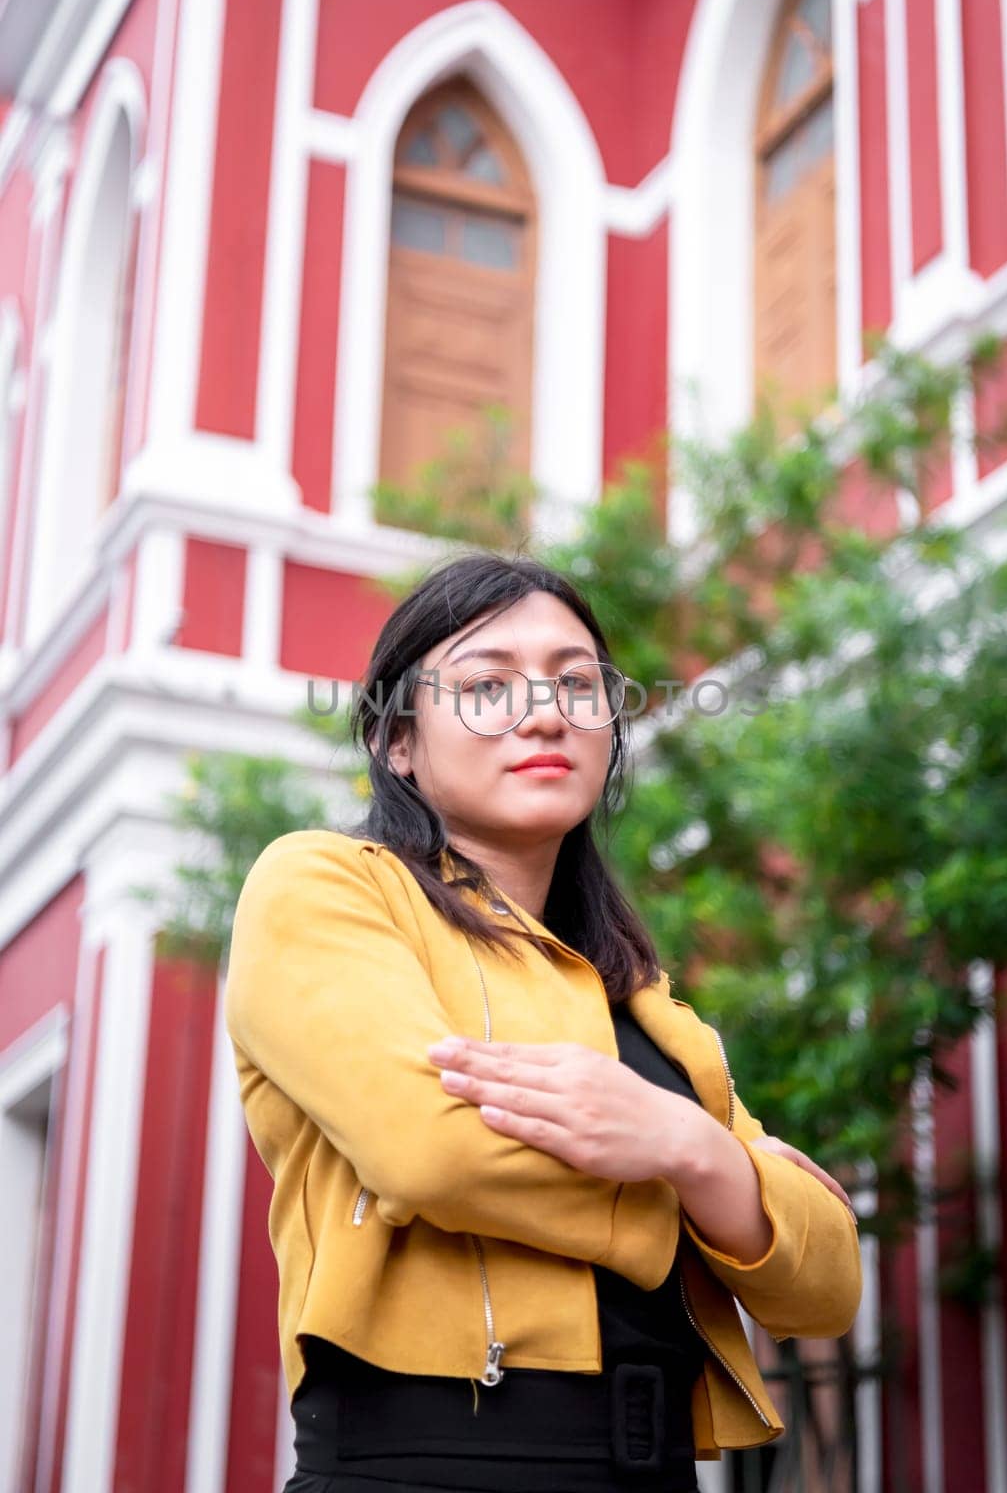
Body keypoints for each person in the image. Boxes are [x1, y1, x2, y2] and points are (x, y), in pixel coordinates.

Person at [225, 551, 862, 1493]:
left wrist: (682, 1140)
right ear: (398, 740)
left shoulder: (639, 994)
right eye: (486, 685)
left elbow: (827, 1283)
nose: (545, 711)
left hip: (654, 1468)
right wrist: (708, 1176)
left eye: (577, 683)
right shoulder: (324, 886)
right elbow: (429, 1155)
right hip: (429, 1467)